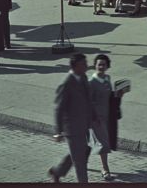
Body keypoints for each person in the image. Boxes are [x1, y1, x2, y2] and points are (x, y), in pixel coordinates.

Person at [49, 53, 95, 184]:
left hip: (83, 125)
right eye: (83, 64)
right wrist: (58, 131)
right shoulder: (66, 83)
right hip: (72, 129)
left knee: (79, 152)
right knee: (80, 160)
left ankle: (58, 171)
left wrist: (93, 117)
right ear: (75, 66)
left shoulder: (83, 77)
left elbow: (88, 99)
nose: (86, 66)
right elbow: (59, 108)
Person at [89, 53, 123, 181]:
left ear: (107, 66)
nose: (101, 67)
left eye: (104, 65)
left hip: (107, 117)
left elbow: (109, 97)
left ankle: (75, 159)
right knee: (103, 144)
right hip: (96, 119)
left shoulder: (107, 79)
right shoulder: (91, 83)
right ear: (95, 66)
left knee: (91, 143)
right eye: (99, 65)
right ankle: (105, 169)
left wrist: (118, 94)